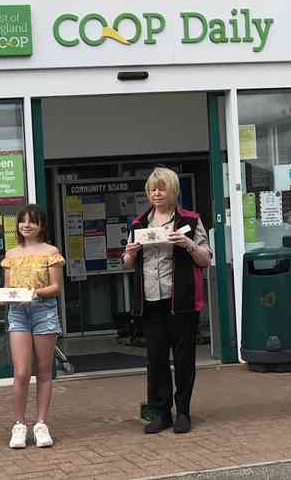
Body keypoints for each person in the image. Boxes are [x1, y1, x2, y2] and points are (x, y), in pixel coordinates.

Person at [123, 167, 212, 434]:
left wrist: (187, 243)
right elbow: (127, 264)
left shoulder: (192, 220)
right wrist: (129, 253)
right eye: (152, 189)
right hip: (150, 301)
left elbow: (206, 259)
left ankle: (183, 411)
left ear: (173, 190)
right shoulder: (138, 223)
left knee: (184, 358)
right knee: (156, 359)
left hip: (181, 300)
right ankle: (162, 413)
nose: (156, 193)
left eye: (161, 188)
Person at [0, 204, 64, 449]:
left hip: (44, 311)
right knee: (22, 372)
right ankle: (19, 425)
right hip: (17, 313)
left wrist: (34, 293)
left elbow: (56, 287)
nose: (26, 225)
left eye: (33, 221)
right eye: (22, 221)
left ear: (41, 225)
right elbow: (8, 288)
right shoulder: (11, 254)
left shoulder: (51, 251)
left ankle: (41, 424)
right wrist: (3, 297)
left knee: (44, 372)